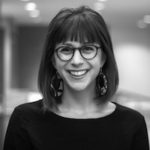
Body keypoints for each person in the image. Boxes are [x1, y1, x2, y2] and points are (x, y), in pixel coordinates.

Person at [3, 6, 149, 150]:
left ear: (103, 58)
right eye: (66, 50)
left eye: (88, 49)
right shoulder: (25, 119)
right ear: (53, 60)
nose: (76, 61)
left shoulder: (132, 123)